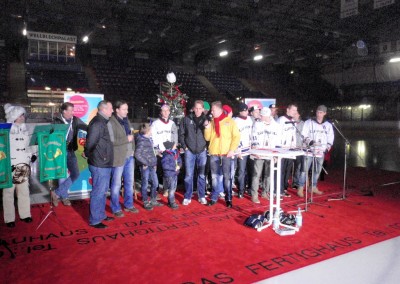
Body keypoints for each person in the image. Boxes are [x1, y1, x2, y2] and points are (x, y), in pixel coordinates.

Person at [2, 104, 35, 228]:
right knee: (8, 193)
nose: (23, 117)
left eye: (23, 115)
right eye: (20, 115)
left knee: (23, 191)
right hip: (9, 165)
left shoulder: (25, 129)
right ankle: (9, 218)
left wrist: (32, 154)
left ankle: (25, 214)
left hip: (23, 164)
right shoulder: (5, 130)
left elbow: (29, 144)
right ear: (14, 116)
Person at [84, 100, 114, 229]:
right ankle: (95, 220)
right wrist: (88, 153)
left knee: (102, 192)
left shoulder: (103, 122)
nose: (112, 111)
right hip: (99, 163)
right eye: (111, 108)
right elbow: (90, 143)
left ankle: (100, 215)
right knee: (98, 192)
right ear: (104, 109)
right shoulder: (97, 123)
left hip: (104, 162)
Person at [204, 101, 240, 208]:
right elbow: (208, 138)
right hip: (214, 153)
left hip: (226, 154)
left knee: (227, 178)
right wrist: (207, 127)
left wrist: (232, 149)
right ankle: (214, 198)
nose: (211, 112)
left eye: (213, 110)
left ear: (219, 110)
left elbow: (236, 137)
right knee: (214, 177)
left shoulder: (230, 122)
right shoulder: (211, 122)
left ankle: (228, 198)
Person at [52, 102, 88, 206]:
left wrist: (95, 128)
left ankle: (56, 193)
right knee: (62, 176)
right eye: (71, 110)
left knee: (76, 173)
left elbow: (86, 127)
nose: (73, 112)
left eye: (73, 110)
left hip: (71, 150)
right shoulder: (57, 121)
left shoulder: (75, 120)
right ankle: (65, 197)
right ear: (64, 111)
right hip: (60, 151)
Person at [107, 100, 138, 217]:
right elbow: (111, 141)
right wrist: (126, 139)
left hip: (130, 156)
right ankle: (115, 208)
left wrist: (133, 149)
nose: (127, 111)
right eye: (124, 109)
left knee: (129, 183)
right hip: (118, 158)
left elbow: (132, 136)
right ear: (117, 110)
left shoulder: (126, 121)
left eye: (127, 109)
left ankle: (129, 205)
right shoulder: (111, 122)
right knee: (116, 184)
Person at [297, 105, 334, 197]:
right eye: (318, 112)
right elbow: (304, 134)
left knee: (317, 170)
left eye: (321, 112)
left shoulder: (328, 125)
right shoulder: (309, 122)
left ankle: (313, 186)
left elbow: (330, 138)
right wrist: (310, 141)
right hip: (309, 150)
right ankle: (300, 188)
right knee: (304, 170)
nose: (319, 114)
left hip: (320, 151)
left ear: (325, 113)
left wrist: (326, 148)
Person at [179, 100, 208, 206]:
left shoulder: (206, 120)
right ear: (193, 108)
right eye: (196, 108)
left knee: (201, 175)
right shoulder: (186, 119)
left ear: (203, 109)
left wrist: (206, 147)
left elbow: (210, 135)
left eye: (200, 108)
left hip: (202, 151)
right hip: (189, 151)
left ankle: (202, 196)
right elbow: (181, 134)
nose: (198, 110)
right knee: (188, 175)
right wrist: (185, 147)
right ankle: (187, 196)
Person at [250, 107, 282, 203]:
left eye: (262, 116)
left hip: (271, 153)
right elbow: (253, 137)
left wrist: (276, 155)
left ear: (268, 116)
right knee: (256, 174)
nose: (261, 117)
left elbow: (278, 141)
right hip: (259, 153)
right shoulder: (257, 124)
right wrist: (255, 151)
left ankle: (265, 192)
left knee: (268, 175)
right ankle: (254, 194)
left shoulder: (276, 126)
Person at [151, 104, 178, 196]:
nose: (166, 112)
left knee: (168, 171)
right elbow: (153, 138)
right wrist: (158, 149)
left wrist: (174, 146)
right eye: (164, 110)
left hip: (170, 152)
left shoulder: (172, 123)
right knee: (159, 171)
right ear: (161, 112)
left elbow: (175, 137)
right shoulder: (155, 124)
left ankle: (166, 189)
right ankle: (157, 189)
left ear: (169, 112)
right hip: (160, 152)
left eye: (167, 110)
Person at [135, 123, 163, 210]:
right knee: (145, 183)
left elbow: (151, 153)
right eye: (150, 129)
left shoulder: (148, 139)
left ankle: (153, 199)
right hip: (146, 166)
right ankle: (145, 200)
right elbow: (137, 154)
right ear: (147, 131)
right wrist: (145, 163)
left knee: (155, 183)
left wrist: (154, 162)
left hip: (151, 165)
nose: (151, 131)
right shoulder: (142, 140)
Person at [277, 103, 298, 198]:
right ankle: (279, 189)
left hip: (290, 150)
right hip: (282, 149)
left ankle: (284, 188)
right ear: (288, 110)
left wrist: (294, 145)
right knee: (281, 170)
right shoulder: (281, 120)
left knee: (287, 170)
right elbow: (278, 134)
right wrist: (280, 146)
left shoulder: (293, 121)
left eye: (296, 110)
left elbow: (293, 134)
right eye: (293, 110)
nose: (295, 112)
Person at [233, 102, 253, 198]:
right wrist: (238, 150)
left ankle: (249, 188)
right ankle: (241, 190)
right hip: (241, 149)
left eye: (247, 110)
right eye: (244, 110)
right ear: (240, 111)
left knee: (250, 170)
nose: (246, 112)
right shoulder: (236, 121)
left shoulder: (249, 119)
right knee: (241, 170)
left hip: (250, 148)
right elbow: (235, 137)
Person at [161, 142, 182, 209]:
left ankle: (170, 202)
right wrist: (174, 168)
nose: (175, 145)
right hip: (170, 174)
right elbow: (165, 166)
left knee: (173, 188)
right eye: (174, 144)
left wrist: (179, 165)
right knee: (171, 189)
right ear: (171, 147)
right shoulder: (166, 155)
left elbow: (179, 160)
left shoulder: (175, 152)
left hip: (175, 173)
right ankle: (172, 202)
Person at [292, 110, 305, 189]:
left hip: (300, 148)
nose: (294, 115)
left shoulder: (303, 124)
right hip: (290, 147)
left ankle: (296, 182)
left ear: (299, 114)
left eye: (295, 113)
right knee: (289, 167)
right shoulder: (290, 122)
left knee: (298, 166)